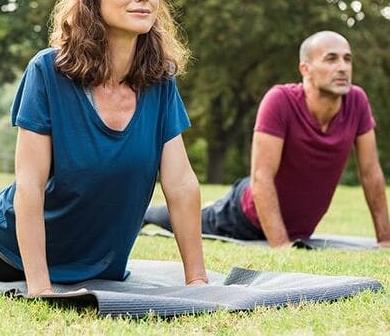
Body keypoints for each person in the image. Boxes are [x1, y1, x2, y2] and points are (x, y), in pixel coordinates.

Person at [0, 0, 208, 296]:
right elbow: (29, 185)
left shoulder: (160, 82)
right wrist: (40, 287)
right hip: (9, 251)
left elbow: (181, 183)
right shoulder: (47, 71)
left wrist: (198, 281)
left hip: (95, 261)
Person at [144, 31, 390, 248]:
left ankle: (208, 206)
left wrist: (385, 239)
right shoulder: (280, 100)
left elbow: (371, 172)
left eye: (347, 59)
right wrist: (282, 246)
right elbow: (262, 177)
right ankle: (146, 214)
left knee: (204, 211)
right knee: (193, 221)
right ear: (305, 69)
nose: (343, 67)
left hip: (297, 227)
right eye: (331, 58)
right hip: (245, 216)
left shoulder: (357, 101)